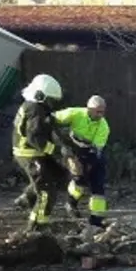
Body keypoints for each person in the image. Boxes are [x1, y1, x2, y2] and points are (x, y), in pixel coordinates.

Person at [11, 74, 79, 232]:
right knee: (47, 191)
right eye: (50, 99)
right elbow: (35, 138)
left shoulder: (37, 107)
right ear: (40, 95)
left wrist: (64, 148)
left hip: (34, 151)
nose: (52, 104)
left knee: (59, 174)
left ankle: (27, 198)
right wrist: (56, 151)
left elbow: (50, 129)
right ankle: (36, 227)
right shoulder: (35, 109)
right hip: (29, 153)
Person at [54, 96, 111, 228]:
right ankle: (71, 203)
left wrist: (88, 166)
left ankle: (96, 220)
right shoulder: (75, 113)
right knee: (79, 182)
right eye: (98, 111)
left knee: (98, 187)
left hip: (93, 154)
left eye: (103, 111)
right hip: (73, 151)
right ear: (89, 109)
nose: (101, 115)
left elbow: (96, 150)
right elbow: (53, 118)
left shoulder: (103, 126)